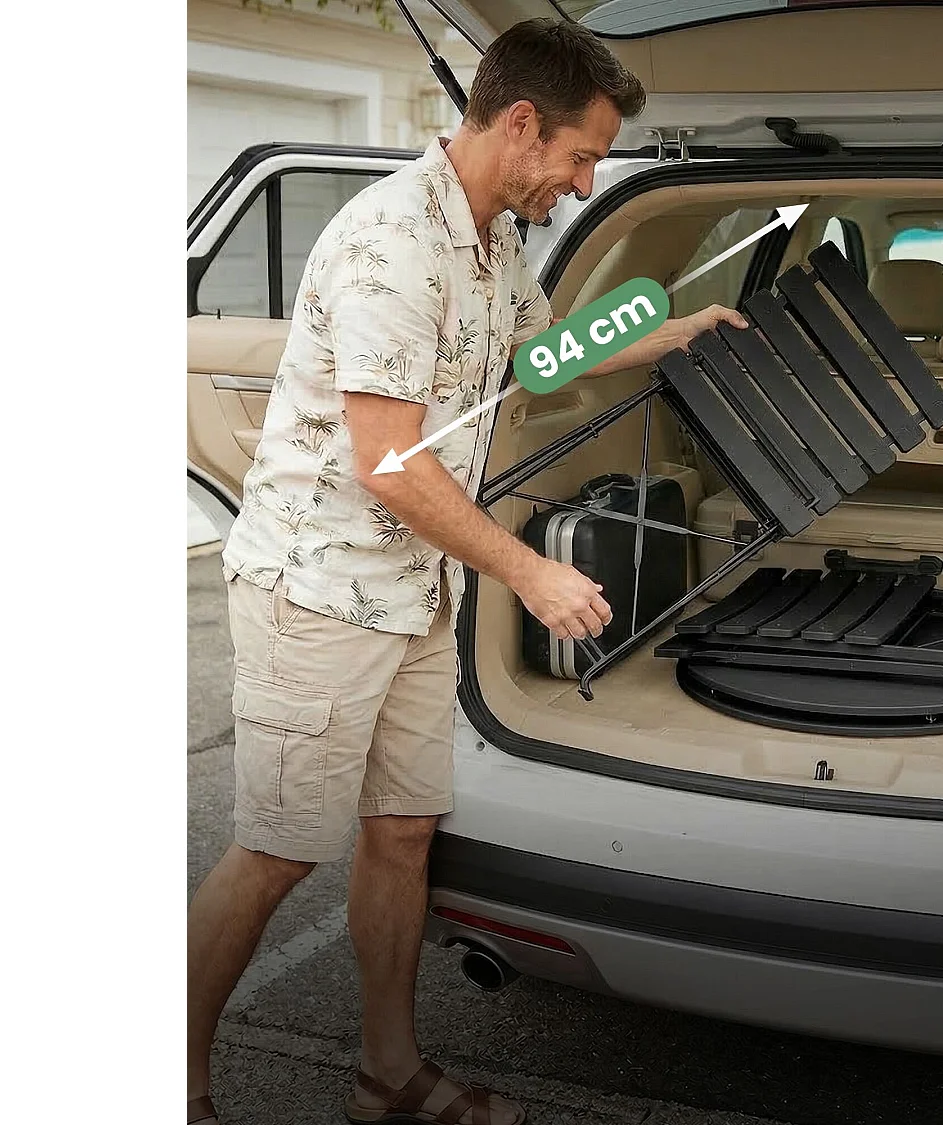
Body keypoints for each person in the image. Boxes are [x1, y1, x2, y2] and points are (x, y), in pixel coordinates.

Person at [187, 18, 747, 1125]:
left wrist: (670, 331)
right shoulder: (392, 243)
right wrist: (531, 573)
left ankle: (386, 1078)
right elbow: (389, 466)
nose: (586, 183)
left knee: (401, 836)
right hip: (321, 593)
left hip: (413, 591)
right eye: (584, 156)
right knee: (276, 852)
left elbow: (537, 358)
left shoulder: (495, 237)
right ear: (523, 123)